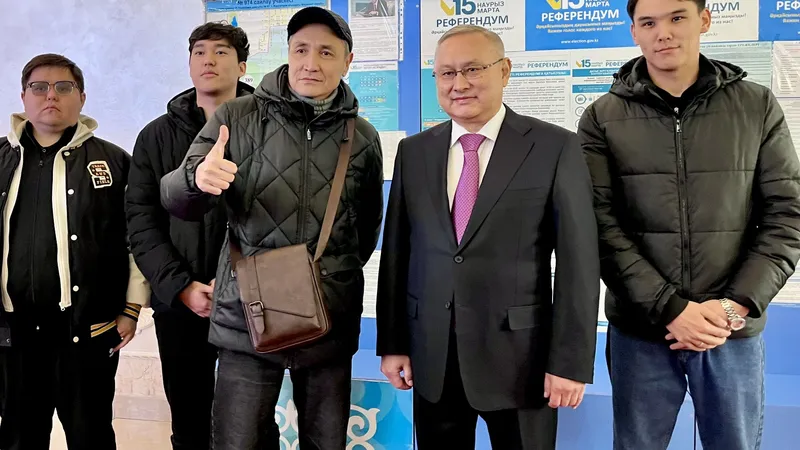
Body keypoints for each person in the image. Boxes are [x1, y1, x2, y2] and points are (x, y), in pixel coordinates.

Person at [578, 1, 800, 449]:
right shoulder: (602, 117)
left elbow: (786, 215)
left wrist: (734, 307)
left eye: (677, 17)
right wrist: (670, 309)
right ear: (634, 32)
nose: (663, 32)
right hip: (642, 331)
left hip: (729, 331)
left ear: (704, 20)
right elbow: (598, 226)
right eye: (648, 22)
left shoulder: (755, 105)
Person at [160, 7, 384, 450]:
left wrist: (327, 275)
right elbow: (175, 199)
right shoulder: (236, 117)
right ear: (287, 53)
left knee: (325, 442)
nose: (310, 63)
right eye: (301, 49)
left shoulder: (361, 137)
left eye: (326, 52)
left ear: (348, 61)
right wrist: (195, 179)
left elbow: (365, 230)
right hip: (247, 314)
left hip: (327, 318)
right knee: (238, 441)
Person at [376, 25, 600, 449]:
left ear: (505, 71)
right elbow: (397, 255)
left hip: (522, 363)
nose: (458, 84)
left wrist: (569, 362)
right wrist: (393, 344)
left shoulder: (554, 147)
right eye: (446, 73)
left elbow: (579, 263)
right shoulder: (415, 151)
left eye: (473, 69)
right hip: (433, 358)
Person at [0, 53, 149, 449]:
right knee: (18, 436)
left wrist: (131, 308)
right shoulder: (1, 159)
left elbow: (137, 236)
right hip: (13, 335)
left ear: (81, 98)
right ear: (23, 96)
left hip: (86, 331)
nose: (51, 95)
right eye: (39, 87)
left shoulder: (113, 162)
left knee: (91, 435)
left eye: (63, 87)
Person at [125, 22, 253, 450]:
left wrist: (240, 284)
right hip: (181, 302)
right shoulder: (155, 136)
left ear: (242, 65)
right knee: (189, 421)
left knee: (252, 425)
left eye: (221, 52)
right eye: (199, 52)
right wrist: (180, 287)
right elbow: (141, 221)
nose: (208, 60)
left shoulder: (269, 128)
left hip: (253, 301)